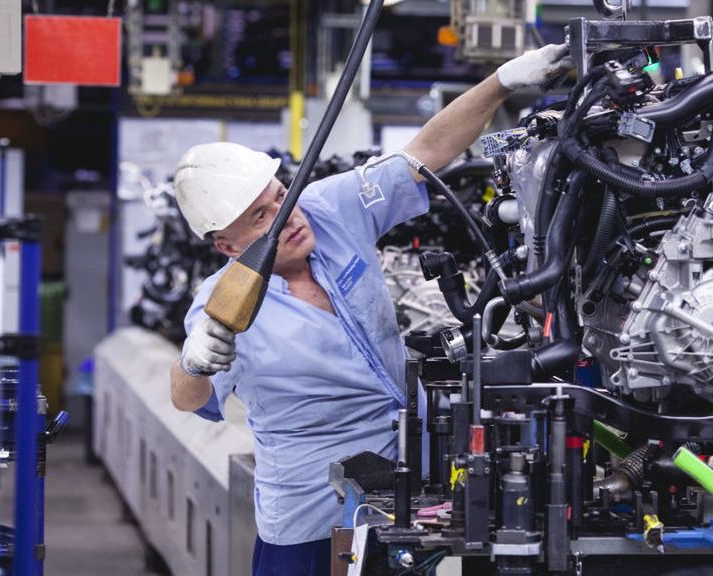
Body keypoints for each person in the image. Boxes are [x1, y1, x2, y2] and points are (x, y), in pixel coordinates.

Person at [168, 44, 572, 576]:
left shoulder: (327, 208)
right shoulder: (223, 303)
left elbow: (424, 152)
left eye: (279, 195)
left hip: (413, 483)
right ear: (227, 244)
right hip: (312, 511)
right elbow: (187, 399)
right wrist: (195, 362)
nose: (286, 215)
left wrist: (501, 81)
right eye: (262, 215)